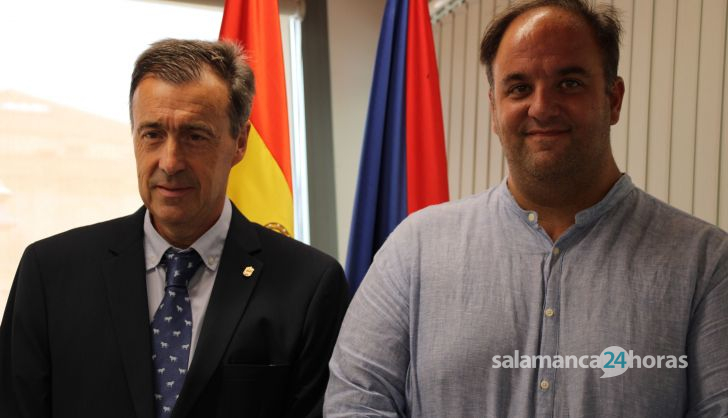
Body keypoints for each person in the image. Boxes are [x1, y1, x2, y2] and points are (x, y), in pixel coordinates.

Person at [324, 0, 728, 416]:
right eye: (518, 88)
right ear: (494, 109)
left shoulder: (705, 263)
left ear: (614, 99)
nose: (541, 107)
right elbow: (356, 400)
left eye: (569, 83)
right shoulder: (415, 249)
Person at [0, 39, 349, 418]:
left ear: (240, 143)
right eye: (152, 134)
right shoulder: (50, 273)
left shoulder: (309, 285)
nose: (170, 161)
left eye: (195, 136)